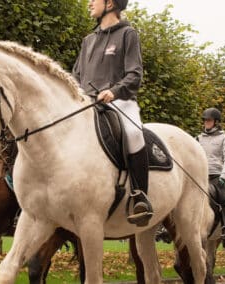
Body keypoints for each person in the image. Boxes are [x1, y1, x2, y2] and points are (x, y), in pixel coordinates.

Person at [72, 0, 152, 226]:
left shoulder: (128, 34)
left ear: (109, 4)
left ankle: (140, 197)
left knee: (134, 132)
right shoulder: (88, 40)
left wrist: (114, 91)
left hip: (119, 102)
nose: (89, 3)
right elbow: (76, 75)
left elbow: (134, 74)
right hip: (86, 104)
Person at [197, 107, 225, 248]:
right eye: (205, 120)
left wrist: (223, 176)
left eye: (209, 120)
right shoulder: (198, 138)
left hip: (216, 175)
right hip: (200, 175)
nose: (206, 122)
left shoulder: (224, 138)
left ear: (216, 122)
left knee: (223, 199)